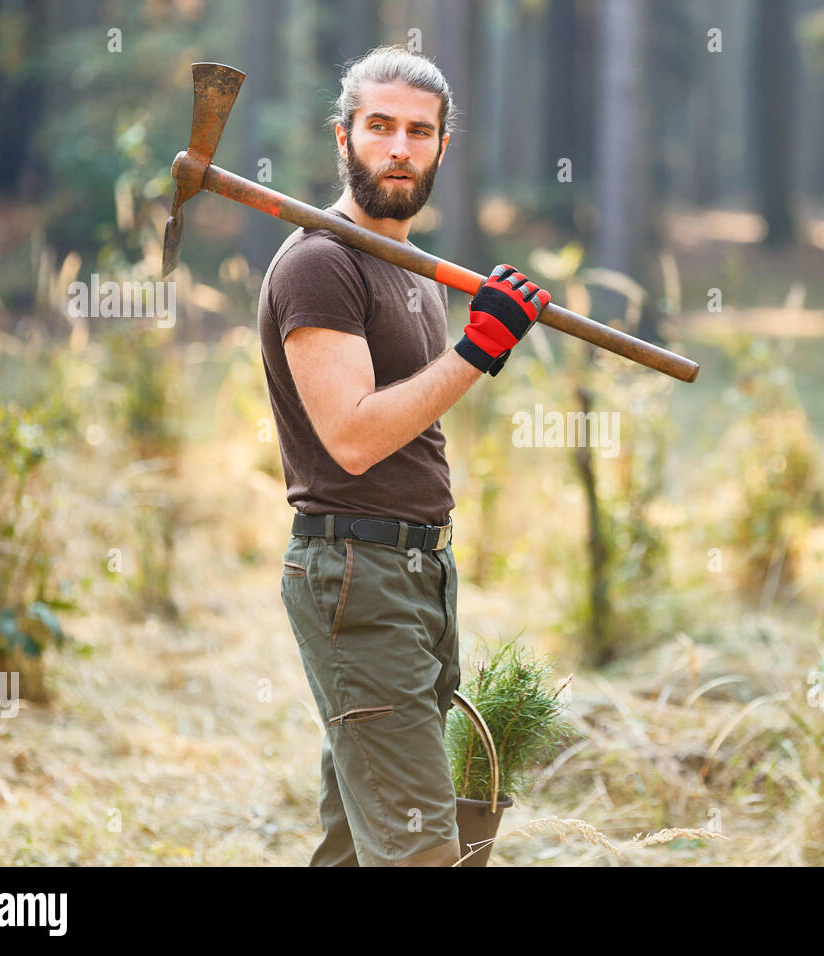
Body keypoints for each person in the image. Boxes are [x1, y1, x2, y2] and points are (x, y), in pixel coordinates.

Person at [256, 45, 550, 866]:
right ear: (342, 136)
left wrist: (470, 340)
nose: (398, 148)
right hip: (357, 575)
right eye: (379, 126)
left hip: (417, 576)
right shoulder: (322, 262)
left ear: (442, 148)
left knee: (361, 839)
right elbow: (350, 437)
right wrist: (478, 349)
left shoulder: (415, 272)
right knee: (424, 846)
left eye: (419, 132)